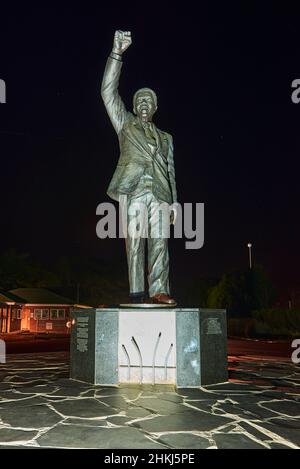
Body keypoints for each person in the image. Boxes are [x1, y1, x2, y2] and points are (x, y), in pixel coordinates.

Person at [101, 30, 177, 305]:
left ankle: (159, 290)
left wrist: (176, 204)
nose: (143, 103)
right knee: (135, 244)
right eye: (139, 100)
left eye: (149, 100)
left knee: (160, 244)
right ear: (133, 106)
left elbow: (170, 172)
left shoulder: (166, 138)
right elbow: (108, 92)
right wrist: (116, 53)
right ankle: (136, 292)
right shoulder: (125, 125)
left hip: (160, 194)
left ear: (155, 107)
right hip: (133, 189)